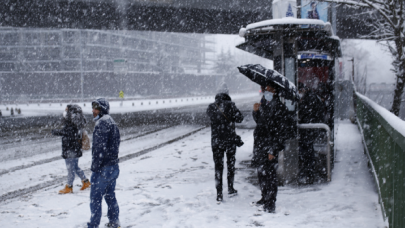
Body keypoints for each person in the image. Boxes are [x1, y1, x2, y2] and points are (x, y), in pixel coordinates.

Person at [251, 83, 293, 213]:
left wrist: (273, 149)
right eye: (266, 89)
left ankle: (270, 203)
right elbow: (260, 122)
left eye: (269, 89)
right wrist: (256, 112)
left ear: (275, 91)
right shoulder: (264, 103)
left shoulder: (279, 107)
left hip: (269, 146)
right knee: (261, 173)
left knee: (270, 175)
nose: (266, 91)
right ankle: (264, 197)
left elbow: (280, 132)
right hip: (260, 144)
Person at [88, 98, 121, 228]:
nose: (93, 111)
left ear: (102, 109)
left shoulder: (102, 123)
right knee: (110, 196)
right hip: (113, 167)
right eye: (93, 108)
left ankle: (93, 225)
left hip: (103, 168)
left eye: (96, 108)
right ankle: (114, 222)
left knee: (95, 198)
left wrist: (95, 168)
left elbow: (99, 149)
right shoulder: (112, 122)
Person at [206, 89, 244, 202]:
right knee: (230, 164)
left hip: (216, 140)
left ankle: (219, 193)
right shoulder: (231, 106)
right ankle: (231, 188)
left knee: (218, 166)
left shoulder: (211, 107)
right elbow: (240, 118)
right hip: (230, 140)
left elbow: (211, 117)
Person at [52, 104, 91, 194]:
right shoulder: (76, 123)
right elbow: (70, 133)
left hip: (70, 150)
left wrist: (55, 132)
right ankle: (85, 182)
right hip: (75, 150)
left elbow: (68, 133)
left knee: (70, 169)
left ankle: (69, 187)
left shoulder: (71, 124)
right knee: (75, 167)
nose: (65, 112)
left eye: (66, 110)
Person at [298, 82, 325, 184]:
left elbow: (307, 113)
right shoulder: (311, 97)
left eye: (300, 91)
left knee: (307, 151)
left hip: (308, 129)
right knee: (307, 150)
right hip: (309, 129)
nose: (299, 93)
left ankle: (308, 173)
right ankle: (308, 172)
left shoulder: (309, 99)